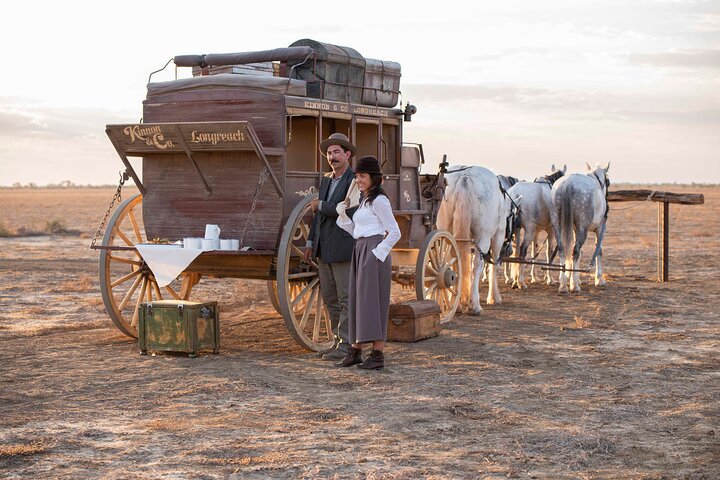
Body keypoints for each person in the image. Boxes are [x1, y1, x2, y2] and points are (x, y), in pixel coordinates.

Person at [335, 156, 401, 370]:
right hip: (360, 249)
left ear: (374, 178)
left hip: (372, 252)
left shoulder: (379, 201)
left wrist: (377, 253)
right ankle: (355, 352)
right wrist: (343, 217)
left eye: (362, 176)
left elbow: (395, 231)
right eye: (357, 176)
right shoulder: (364, 201)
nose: (359, 180)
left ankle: (378, 355)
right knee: (358, 301)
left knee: (373, 303)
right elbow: (358, 232)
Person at [305, 133, 357, 361]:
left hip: (343, 247)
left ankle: (348, 345)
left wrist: (322, 204)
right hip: (323, 248)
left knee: (346, 299)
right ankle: (338, 342)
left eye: (336, 152)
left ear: (347, 154)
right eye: (329, 153)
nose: (332, 157)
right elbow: (317, 217)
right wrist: (309, 242)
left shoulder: (354, 180)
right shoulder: (326, 179)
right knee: (330, 299)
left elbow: (348, 209)